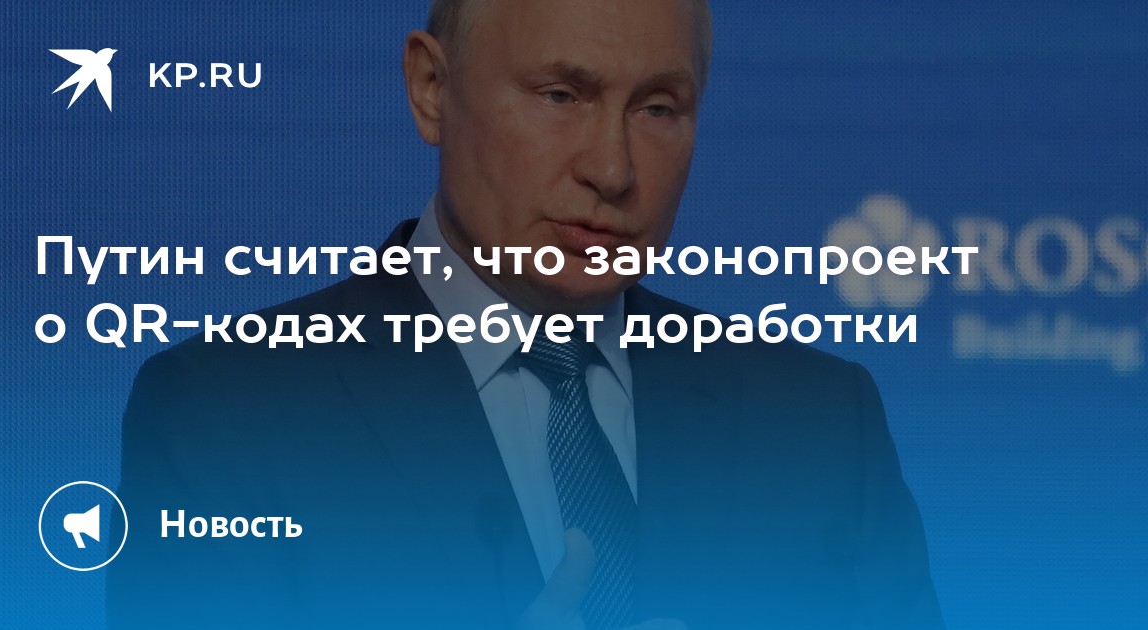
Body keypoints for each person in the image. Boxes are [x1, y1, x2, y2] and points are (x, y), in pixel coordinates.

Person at [109, 0, 944, 628]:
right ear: (431, 89)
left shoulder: (820, 422)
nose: (612, 169)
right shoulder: (230, 413)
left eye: (657, 108)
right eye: (561, 94)